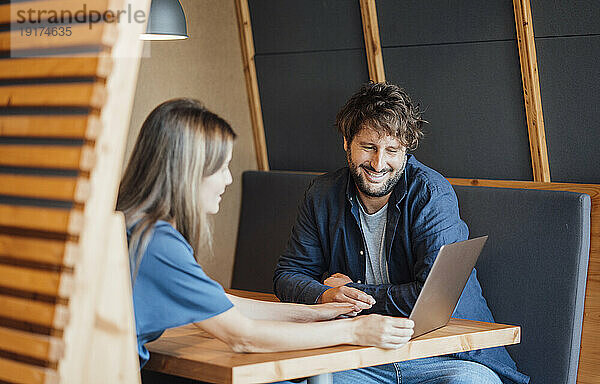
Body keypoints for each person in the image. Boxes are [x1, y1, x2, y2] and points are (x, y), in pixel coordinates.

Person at [117, 98, 415, 384]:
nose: (229, 180)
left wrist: (316, 313)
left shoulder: (136, 228)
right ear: (188, 171)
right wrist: (355, 330)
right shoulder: (157, 243)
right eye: (221, 167)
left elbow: (223, 304)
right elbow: (244, 336)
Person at [273, 82, 530, 384]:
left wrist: (355, 293)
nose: (378, 163)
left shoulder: (431, 195)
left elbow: (431, 297)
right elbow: (288, 274)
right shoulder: (322, 195)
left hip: (443, 357)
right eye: (368, 147)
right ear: (347, 142)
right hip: (361, 357)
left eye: (391, 150)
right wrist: (326, 294)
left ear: (406, 150)